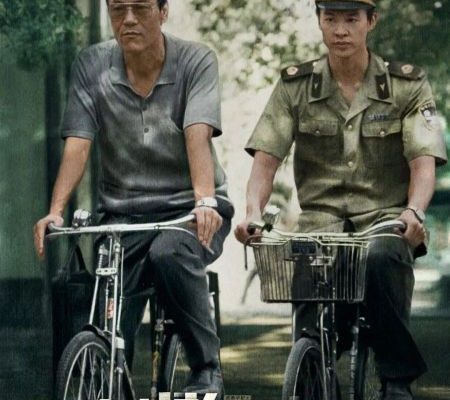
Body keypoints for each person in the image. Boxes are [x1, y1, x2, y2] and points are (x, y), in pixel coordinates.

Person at [235, 1, 446, 399]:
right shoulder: (295, 87)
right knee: (307, 286)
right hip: (320, 221)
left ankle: (396, 380)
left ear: (371, 21)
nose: (341, 30)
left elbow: (423, 162)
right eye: (330, 19)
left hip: (385, 218)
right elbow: (265, 163)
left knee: (383, 258)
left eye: (351, 19)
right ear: (319, 21)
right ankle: (313, 369)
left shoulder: (407, 85)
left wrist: (414, 210)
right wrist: (252, 213)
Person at [34, 0, 234, 395]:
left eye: (140, 8)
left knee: (168, 253)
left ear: (163, 12)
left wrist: (204, 200)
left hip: (187, 213)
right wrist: (55, 211)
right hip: (123, 218)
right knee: (107, 328)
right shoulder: (92, 65)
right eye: (117, 9)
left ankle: (206, 367)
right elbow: (78, 144)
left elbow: (197, 135)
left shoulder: (195, 61)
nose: (128, 19)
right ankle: (104, 373)